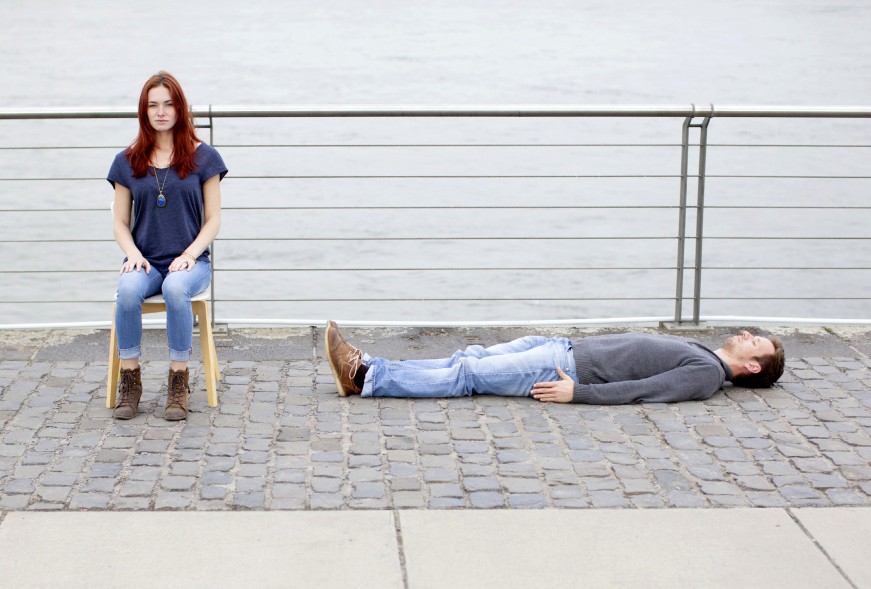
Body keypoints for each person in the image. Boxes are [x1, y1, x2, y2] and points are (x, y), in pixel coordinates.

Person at [108, 71, 227, 420]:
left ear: (180, 108)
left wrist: (190, 254)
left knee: (176, 288)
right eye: (153, 105)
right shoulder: (127, 161)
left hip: (192, 263)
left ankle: (178, 381)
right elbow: (119, 222)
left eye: (168, 104)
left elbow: (214, 219)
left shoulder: (205, 158)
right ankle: (130, 381)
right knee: (127, 290)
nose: (161, 111)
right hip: (145, 262)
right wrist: (133, 254)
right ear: (144, 111)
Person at [324, 321, 784, 404]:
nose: (747, 335)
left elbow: (644, 391)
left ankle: (365, 377)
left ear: (753, 367)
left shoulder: (705, 375)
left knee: (469, 376)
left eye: (755, 341)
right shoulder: (705, 353)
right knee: (471, 358)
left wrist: (578, 393)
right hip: (561, 347)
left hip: (565, 369)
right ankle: (374, 365)